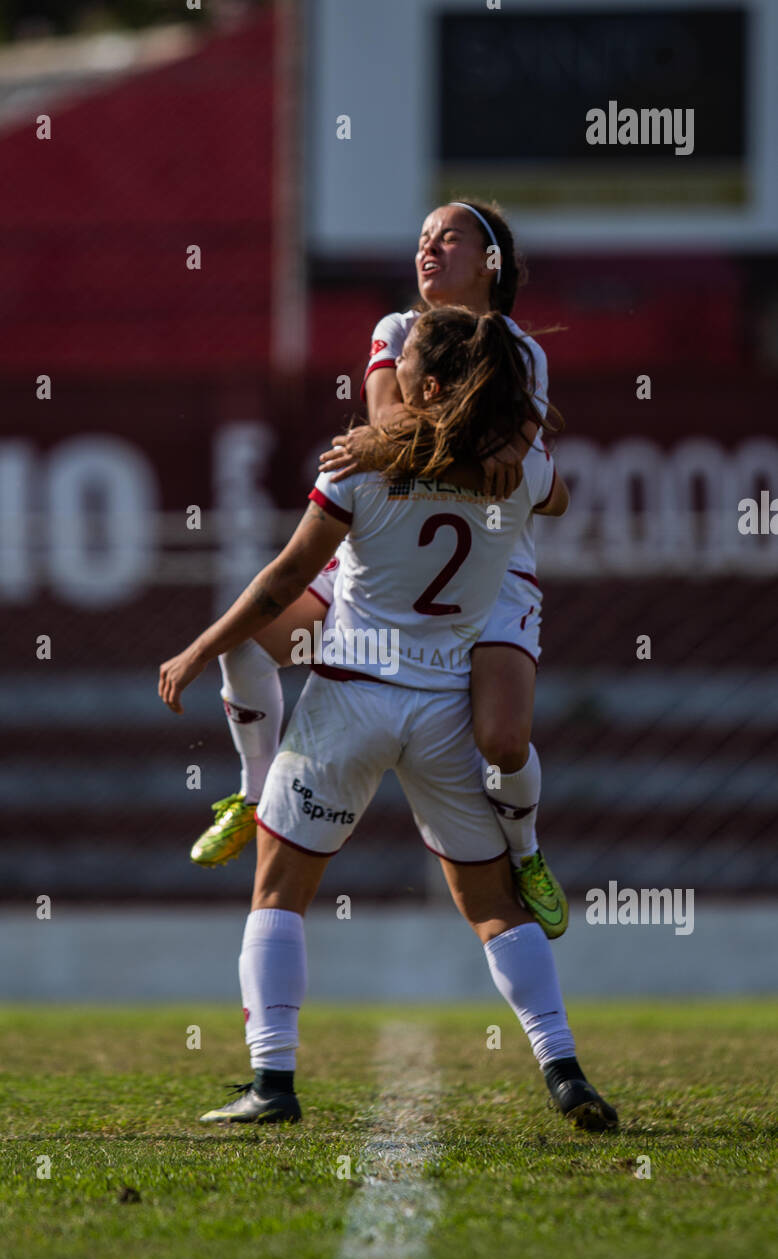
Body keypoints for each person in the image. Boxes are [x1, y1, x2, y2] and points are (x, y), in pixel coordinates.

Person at [159, 306, 617, 1133]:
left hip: (348, 695)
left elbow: (278, 583)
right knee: (492, 906)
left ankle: (273, 1080)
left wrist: (197, 649)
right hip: (447, 707)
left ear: (428, 385)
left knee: (279, 890)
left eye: (402, 368)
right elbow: (550, 485)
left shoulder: (356, 471)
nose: (386, 383)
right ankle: (564, 1071)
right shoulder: (521, 475)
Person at [190, 200, 567, 940]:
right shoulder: (396, 330)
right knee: (246, 636)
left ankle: (526, 851)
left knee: (503, 742)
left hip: (492, 579)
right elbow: (402, 424)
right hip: (379, 565)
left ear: (492, 262)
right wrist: (436, 440)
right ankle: (254, 792)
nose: (428, 247)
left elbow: (485, 459)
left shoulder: (524, 351)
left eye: (448, 237)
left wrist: (385, 444)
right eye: (421, 237)